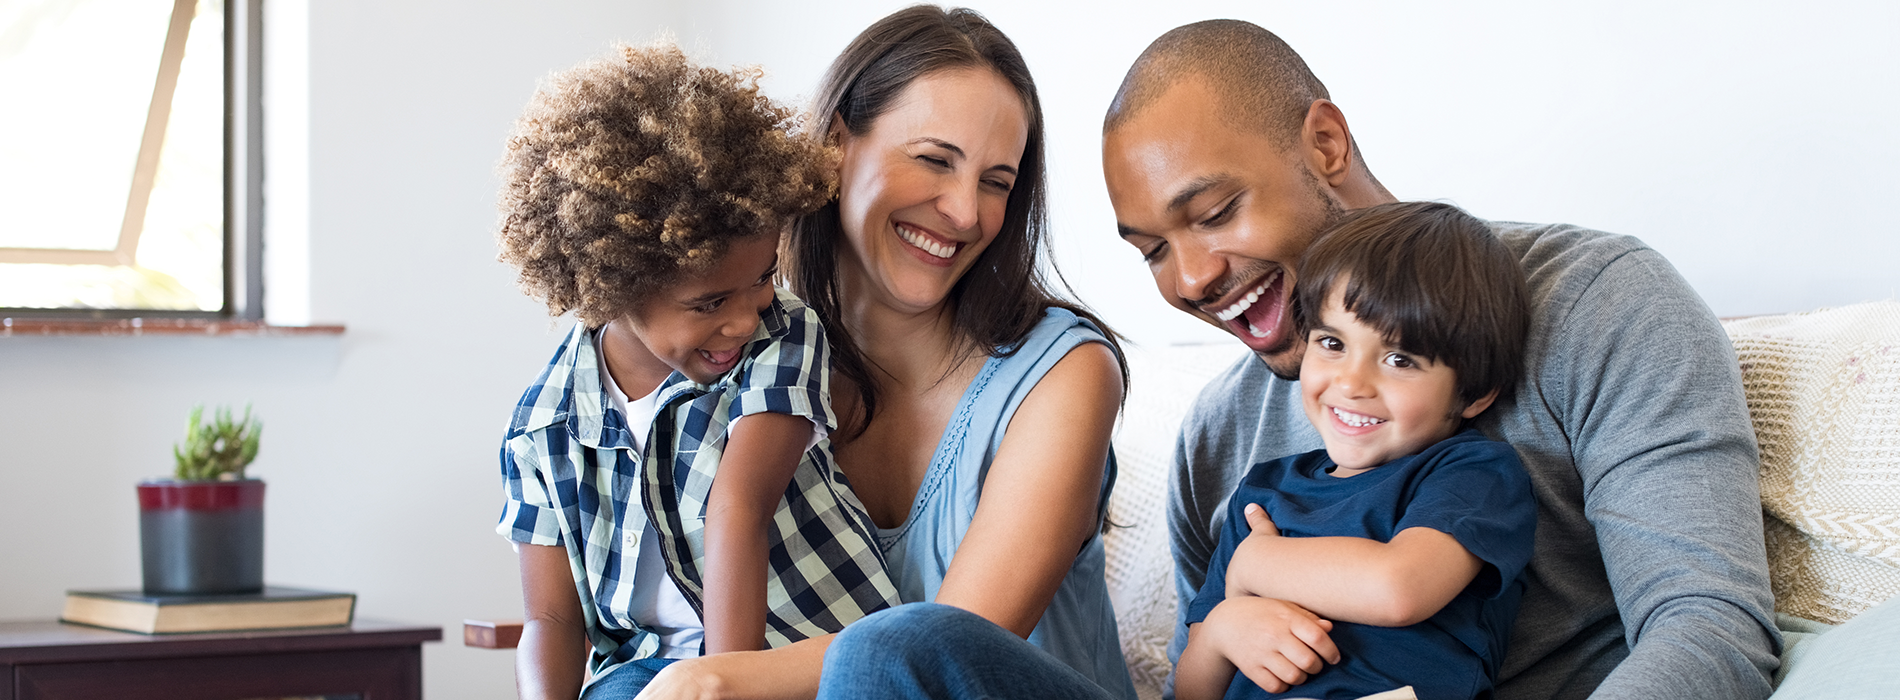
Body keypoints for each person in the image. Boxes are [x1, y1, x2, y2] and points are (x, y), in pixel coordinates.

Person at [1101, 20, 1779, 700]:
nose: (1188, 280)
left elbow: (1707, 628)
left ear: (1325, 145)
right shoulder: (1218, 435)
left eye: (1216, 211)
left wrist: (1261, 566)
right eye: (1152, 251)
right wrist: (1222, 626)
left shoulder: (1597, 302)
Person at [634, 6, 1136, 700]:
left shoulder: (1066, 372)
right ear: (837, 144)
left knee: (889, 647)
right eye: (934, 159)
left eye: (996, 181)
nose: (965, 212)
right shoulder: (750, 352)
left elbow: (943, 645)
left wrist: (717, 677)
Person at [491, 43, 900, 700]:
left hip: (801, 654)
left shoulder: (784, 334)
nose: (743, 319)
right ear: (610, 292)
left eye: (763, 277)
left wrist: (725, 682)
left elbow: (738, 507)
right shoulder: (543, 426)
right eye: (709, 303)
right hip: (645, 677)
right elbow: (550, 617)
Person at [1176, 201, 1538, 700]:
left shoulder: (1471, 474)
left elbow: (1399, 589)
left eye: (1398, 359)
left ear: (1473, 395)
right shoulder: (1262, 495)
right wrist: (1221, 632)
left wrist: (1254, 567)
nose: (1351, 383)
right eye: (1332, 343)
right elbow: (1191, 690)